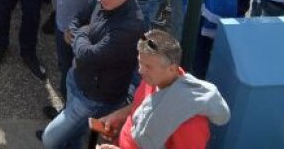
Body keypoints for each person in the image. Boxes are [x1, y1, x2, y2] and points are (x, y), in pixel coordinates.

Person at [41, 0, 143, 149]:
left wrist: (79, 33)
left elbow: (88, 55)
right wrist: (80, 31)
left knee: (49, 139)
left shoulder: (130, 25)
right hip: (78, 79)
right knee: (76, 132)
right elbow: (79, 17)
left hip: (93, 97)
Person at [94, 30, 231, 149]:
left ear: (172, 69)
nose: (141, 71)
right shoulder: (154, 78)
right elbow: (140, 105)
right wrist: (118, 116)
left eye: (148, 67)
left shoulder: (190, 122)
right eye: (140, 62)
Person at [49, 0, 100, 112]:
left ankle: (67, 114)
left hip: (73, 36)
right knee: (63, 66)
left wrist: (78, 31)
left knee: (71, 74)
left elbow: (97, 13)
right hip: (61, 26)